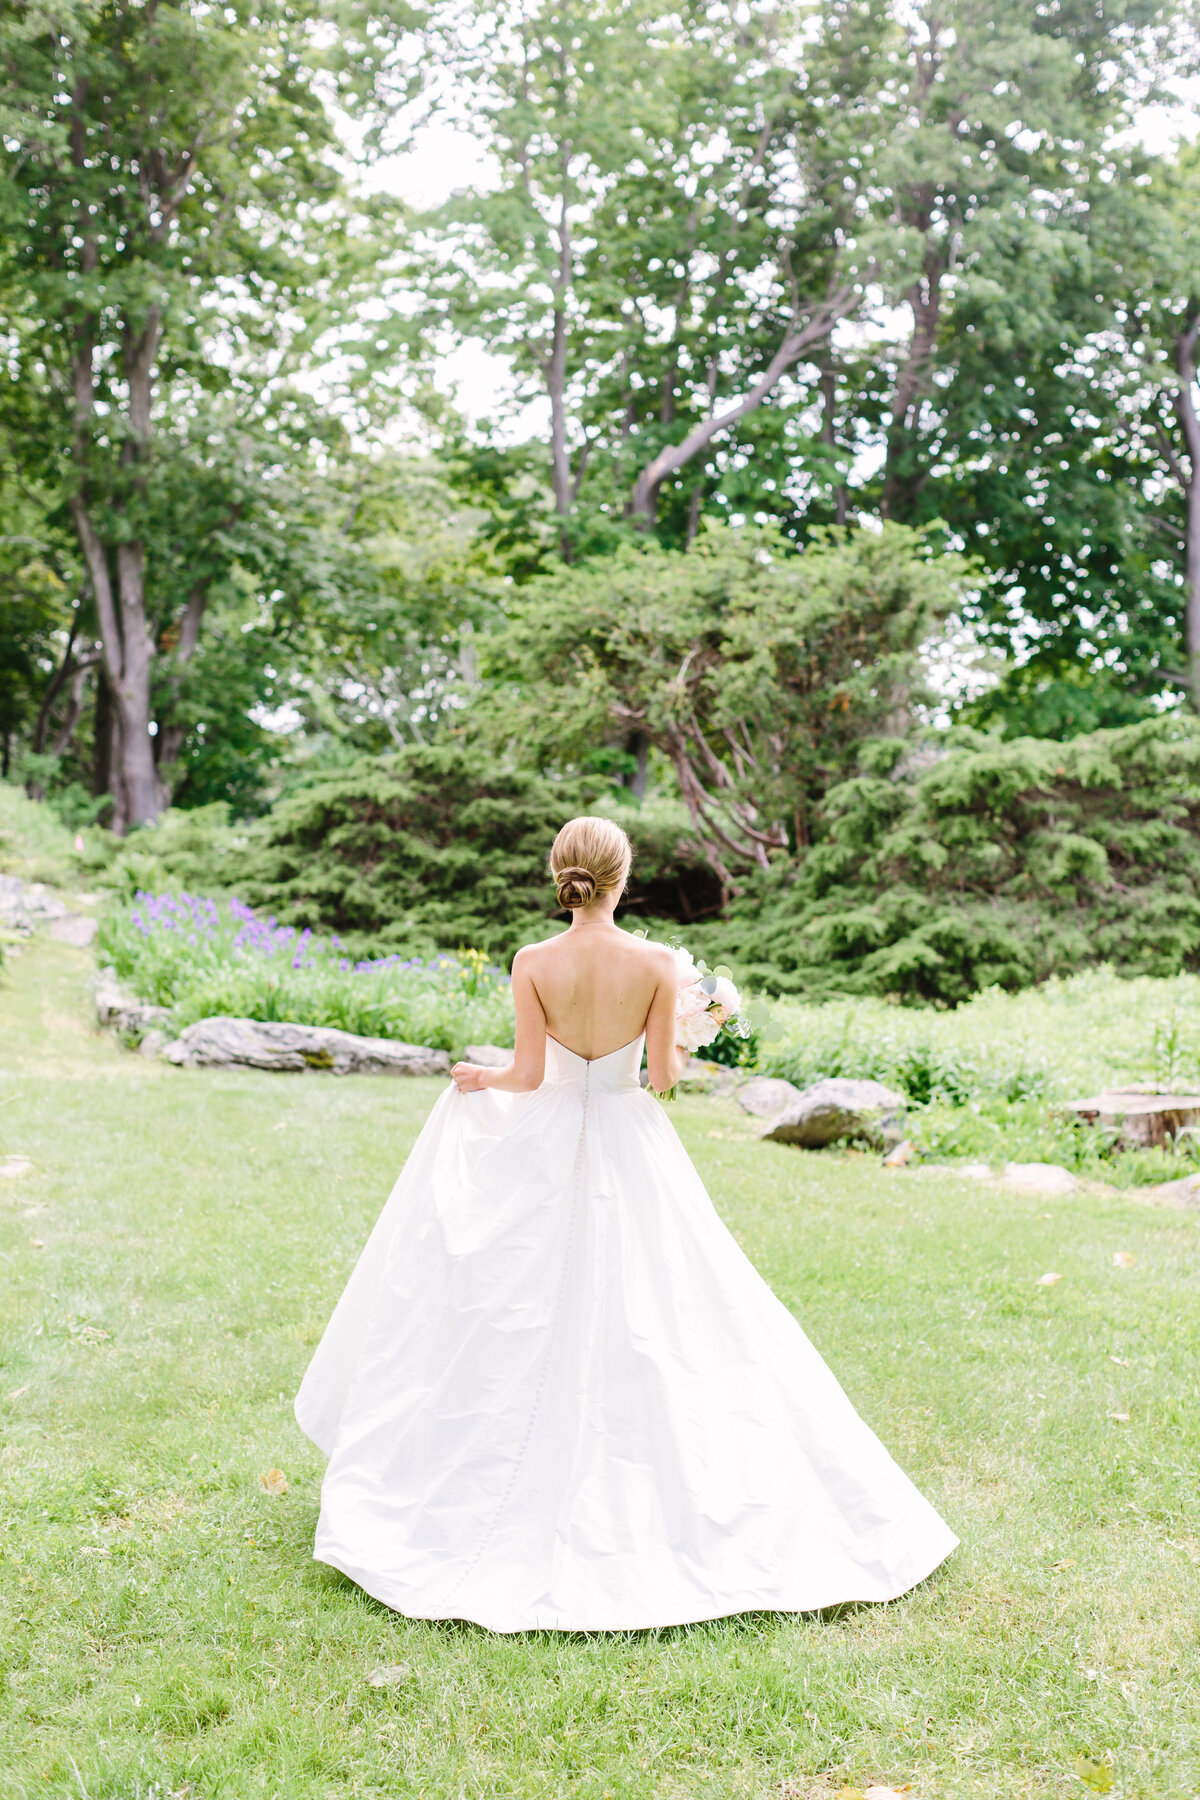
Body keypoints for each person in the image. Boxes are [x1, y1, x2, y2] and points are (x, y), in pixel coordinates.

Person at [294, 815, 957, 1632]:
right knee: (672, 1301)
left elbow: (531, 1073)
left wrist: (480, 1076)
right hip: (627, 1139)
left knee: (516, 1298)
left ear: (558, 873)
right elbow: (663, 1079)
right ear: (624, 873)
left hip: (544, 1140)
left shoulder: (533, 962)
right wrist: (685, 1026)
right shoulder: (656, 964)